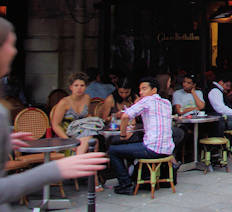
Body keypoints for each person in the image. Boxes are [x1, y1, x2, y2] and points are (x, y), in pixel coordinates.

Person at [0, 18, 108, 208]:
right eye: (9, 44)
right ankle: (86, 175)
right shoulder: (64, 102)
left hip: (82, 132)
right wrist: (53, 170)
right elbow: (56, 123)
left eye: (83, 85)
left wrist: (5, 142)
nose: (15, 51)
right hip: (68, 134)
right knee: (89, 140)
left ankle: (88, 175)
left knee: (91, 138)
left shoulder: (88, 99)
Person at [109, 76, 174, 195]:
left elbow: (125, 116)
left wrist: (123, 135)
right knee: (130, 146)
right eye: (140, 89)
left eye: (144, 89)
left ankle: (126, 185)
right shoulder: (166, 102)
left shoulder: (147, 101)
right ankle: (135, 176)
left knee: (113, 150)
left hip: (152, 149)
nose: (140, 92)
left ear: (154, 90)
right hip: (167, 149)